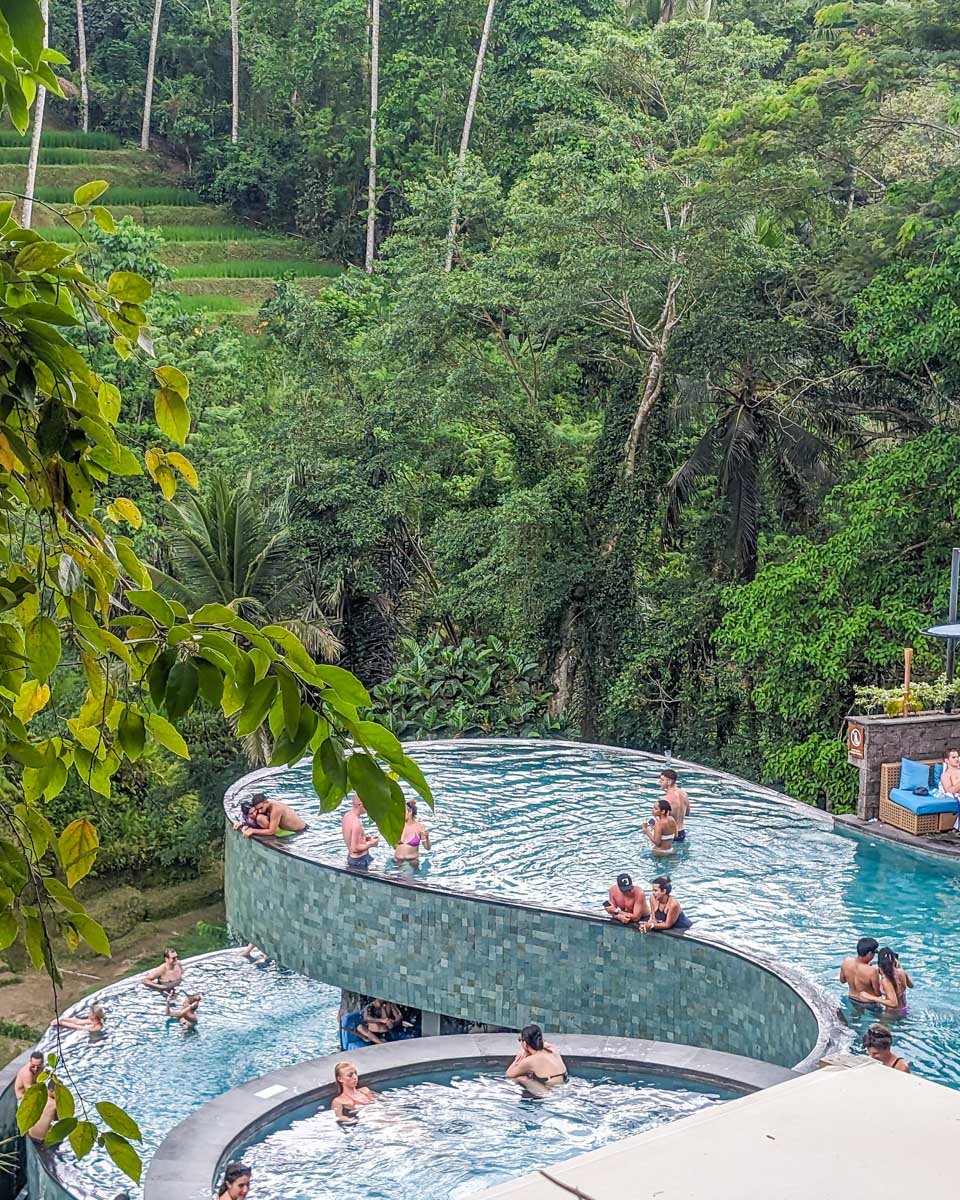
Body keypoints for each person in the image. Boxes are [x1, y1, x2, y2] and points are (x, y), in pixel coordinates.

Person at [505, 1024, 569, 1097]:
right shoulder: (552, 1050)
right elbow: (546, 1045)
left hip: (551, 1093)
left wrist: (517, 1060)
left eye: (520, 1040)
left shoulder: (530, 1060)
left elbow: (509, 1074)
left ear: (525, 1044)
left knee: (519, 1078)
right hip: (565, 1085)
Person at [864, 947, 910, 1016]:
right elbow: (911, 985)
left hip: (892, 1014)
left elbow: (893, 1003)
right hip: (905, 1009)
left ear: (880, 965)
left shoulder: (886, 980)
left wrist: (870, 997)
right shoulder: (901, 972)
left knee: (874, 1026)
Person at [238, 795, 306, 839]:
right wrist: (243, 823)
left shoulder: (276, 810)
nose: (260, 811)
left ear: (266, 802)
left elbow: (271, 831)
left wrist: (252, 830)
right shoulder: (267, 806)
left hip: (299, 832)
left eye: (261, 808)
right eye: (257, 809)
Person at [839, 937, 881, 1006]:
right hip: (868, 1003)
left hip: (851, 999)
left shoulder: (846, 962)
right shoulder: (872, 971)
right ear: (870, 953)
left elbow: (842, 981)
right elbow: (878, 993)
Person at [341, 793, 379, 869]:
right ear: (360, 805)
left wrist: (364, 837)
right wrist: (371, 844)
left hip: (352, 858)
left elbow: (351, 837)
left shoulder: (347, 816)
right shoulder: (356, 823)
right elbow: (355, 848)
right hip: (359, 860)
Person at [659, 769, 690, 843]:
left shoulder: (665, 799)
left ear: (669, 782)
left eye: (662, 780)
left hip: (670, 835)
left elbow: (662, 821)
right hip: (682, 833)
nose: (659, 782)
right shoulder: (684, 794)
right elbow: (687, 813)